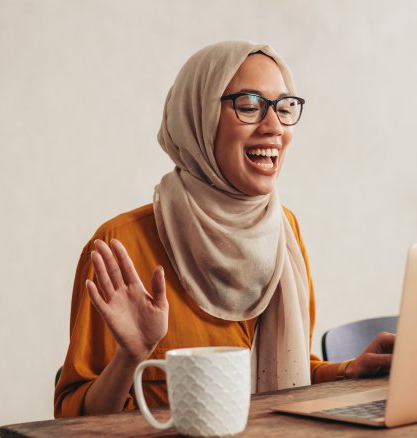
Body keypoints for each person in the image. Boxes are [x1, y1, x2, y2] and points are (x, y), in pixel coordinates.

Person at [54, 41, 395, 418]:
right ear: (197, 118)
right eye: (249, 106)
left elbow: (282, 377)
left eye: (284, 108)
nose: (274, 127)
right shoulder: (120, 245)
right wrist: (130, 357)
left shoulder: (285, 231)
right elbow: (74, 420)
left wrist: (348, 370)